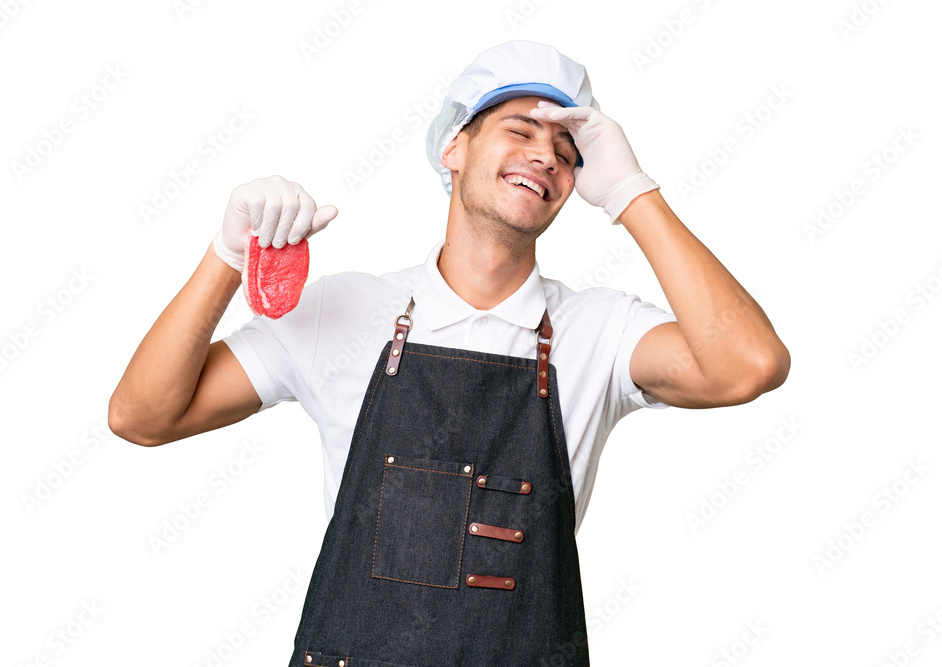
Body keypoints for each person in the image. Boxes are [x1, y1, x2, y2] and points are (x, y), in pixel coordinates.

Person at [109, 40, 790, 666]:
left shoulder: (598, 332)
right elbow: (142, 415)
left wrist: (630, 194)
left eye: (566, 147)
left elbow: (749, 363)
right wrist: (228, 257)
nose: (545, 155)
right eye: (520, 130)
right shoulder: (342, 312)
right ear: (453, 147)